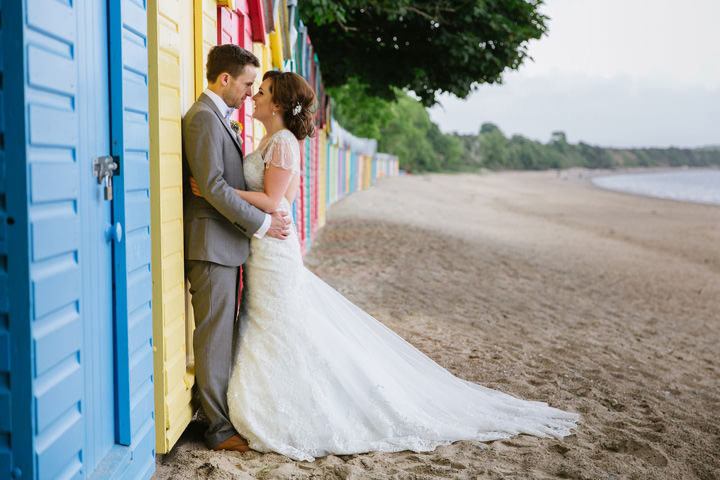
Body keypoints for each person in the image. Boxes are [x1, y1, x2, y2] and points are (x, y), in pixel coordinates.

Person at [194, 71, 579, 461]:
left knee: (278, 323)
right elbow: (285, 198)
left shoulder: (282, 143)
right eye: (255, 89)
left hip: (273, 249)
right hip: (266, 246)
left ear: (277, 104)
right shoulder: (272, 141)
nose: (254, 95)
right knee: (268, 322)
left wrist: (219, 191)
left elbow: (277, 201)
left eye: (261, 92)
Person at [182, 45, 292, 452]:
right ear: (224, 79)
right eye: (248, 84)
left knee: (221, 335)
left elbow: (219, 186)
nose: (250, 92)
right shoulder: (202, 119)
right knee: (213, 337)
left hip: (225, 243)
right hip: (211, 245)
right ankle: (217, 430)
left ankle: (211, 412)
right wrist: (263, 223)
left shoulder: (217, 118)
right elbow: (211, 187)